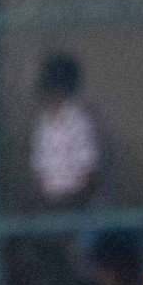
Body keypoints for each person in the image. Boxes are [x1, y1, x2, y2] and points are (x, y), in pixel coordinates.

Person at [30, 53, 101, 209]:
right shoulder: (43, 124)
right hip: (48, 203)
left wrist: (70, 200)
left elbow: (88, 173)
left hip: (76, 203)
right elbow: (39, 171)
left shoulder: (80, 122)